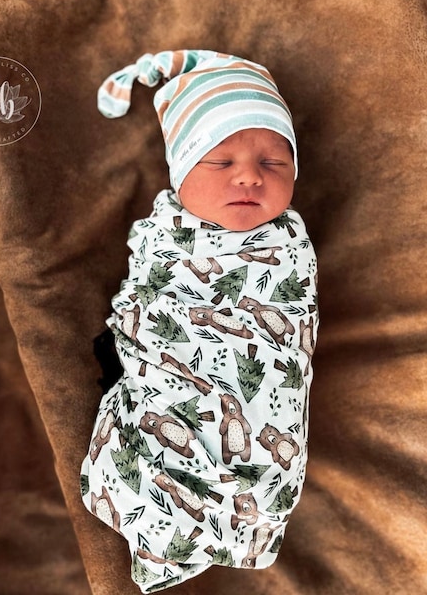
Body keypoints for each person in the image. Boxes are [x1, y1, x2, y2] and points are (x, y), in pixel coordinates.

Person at [80, 50, 318, 593]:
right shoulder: (164, 234)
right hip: (179, 379)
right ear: (183, 171)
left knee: (264, 470)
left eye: (273, 163)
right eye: (221, 162)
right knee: (152, 444)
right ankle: (178, 522)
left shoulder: (289, 244)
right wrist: (137, 325)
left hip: (267, 407)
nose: (250, 177)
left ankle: (232, 517)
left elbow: (291, 328)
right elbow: (147, 294)